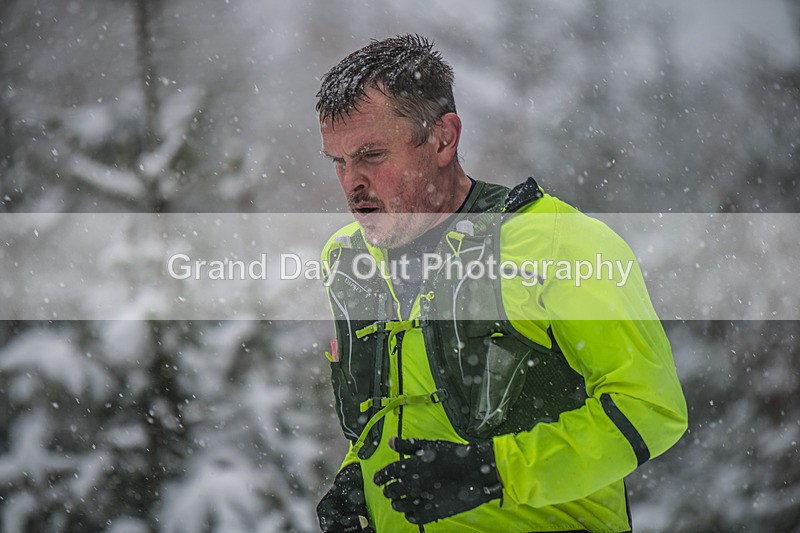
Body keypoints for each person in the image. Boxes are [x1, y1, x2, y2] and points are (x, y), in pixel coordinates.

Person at [314, 34, 687, 533]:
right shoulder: (345, 260)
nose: (352, 183)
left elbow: (650, 409)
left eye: (372, 155)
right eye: (338, 162)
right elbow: (390, 420)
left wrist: (493, 473)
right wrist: (357, 482)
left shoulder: (560, 244)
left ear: (444, 138)